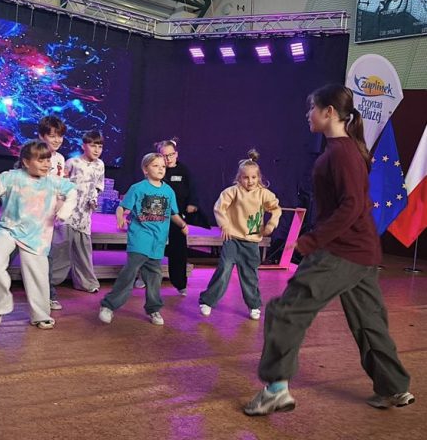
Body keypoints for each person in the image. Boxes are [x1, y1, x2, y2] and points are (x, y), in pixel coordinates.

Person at [244, 84, 414, 416]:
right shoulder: (345, 150)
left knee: (286, 311)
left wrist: (311, 240)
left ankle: (276, 390)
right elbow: (357, 203)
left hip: (342, 251)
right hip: (362, 252)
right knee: (369, 322)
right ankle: (393, 387)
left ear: (329, 112)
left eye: (312, 108)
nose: (308, 114)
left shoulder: (341, 153)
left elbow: (352, 206)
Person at [0, 115, 68, 310]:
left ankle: (47, 297)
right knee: (0, 258)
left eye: (60, 136)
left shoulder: (59, 160)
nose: (57, 140)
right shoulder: (30, 154)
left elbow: (58, 186)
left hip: (43, 220)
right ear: (41, 136)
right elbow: (18, 183)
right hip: (21, 219)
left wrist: (60, 205)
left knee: (45, 257)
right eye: (52, 136)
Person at [0, 140, 76, 329]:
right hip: (8, 229)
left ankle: (41, 315)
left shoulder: (53, 181)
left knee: (38, 275)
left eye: (48, 160)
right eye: (41, 160)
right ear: (25, 161)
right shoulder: (12, 177)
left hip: (37, 235)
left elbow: (72, 191)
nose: (46, 164)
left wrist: (64, 211)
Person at [98, 153, 188, 326]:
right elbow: (122, 207)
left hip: (158, 241)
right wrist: (120, 217)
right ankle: (108, 305)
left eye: (163, 166)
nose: (160, 169)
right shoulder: (138, 188)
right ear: (145, 169)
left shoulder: (168, 191)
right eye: (155, 166)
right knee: (130, 272)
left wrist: (182, 225)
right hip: (140, 238)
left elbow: (173, 213)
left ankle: (154, 309)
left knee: (154, 276)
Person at [199, 150, 281, 321]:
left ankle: (254, 305)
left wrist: (271, 224)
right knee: (224, 270)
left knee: (249, 275)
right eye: (245, 177)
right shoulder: (233, 191)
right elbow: (219, 207)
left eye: (253, 177)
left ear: (259, 177)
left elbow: (276, 209)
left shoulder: (263, 193)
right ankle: (207, 301)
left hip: (251, 242)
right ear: (239, 178)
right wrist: (225, 225)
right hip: (233, 240)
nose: (250, 181)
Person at [50, 130, 105, 293]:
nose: (97, 150)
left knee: (83, 249)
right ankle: (50, 280)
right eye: (93, 146)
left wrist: (93, 199)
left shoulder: (100, 165)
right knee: (61, 247)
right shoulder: (72, 162)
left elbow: (97, 186)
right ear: (83, 146)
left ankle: (86, 282)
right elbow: (62, 184)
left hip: (84, 213)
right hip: (68, 211)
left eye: (100, 147)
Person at [156, 138, 199, 296]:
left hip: (177, 217)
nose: (168, 158)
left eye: (171, 155)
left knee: (178, 251)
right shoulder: (156, 169)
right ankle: (144, 277)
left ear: (176, 154)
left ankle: (180, 284)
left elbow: (193, 189)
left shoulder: (184, 171)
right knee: (152, 248)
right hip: (157, 216)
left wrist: (192, 204)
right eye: (164, 155)